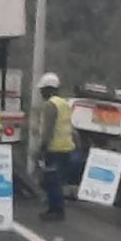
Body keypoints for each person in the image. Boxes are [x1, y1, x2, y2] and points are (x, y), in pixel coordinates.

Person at [35, 73, 75, 221]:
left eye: (42, 90)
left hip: (55, 148)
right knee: (55, 180)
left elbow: (48, 129)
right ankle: (55, 208)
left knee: (52, 180)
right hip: (66, 148)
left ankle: (56, 210)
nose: (41, 93)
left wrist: (42, 148)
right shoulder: (64, 103)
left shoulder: (50, 105)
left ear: (49, 89)